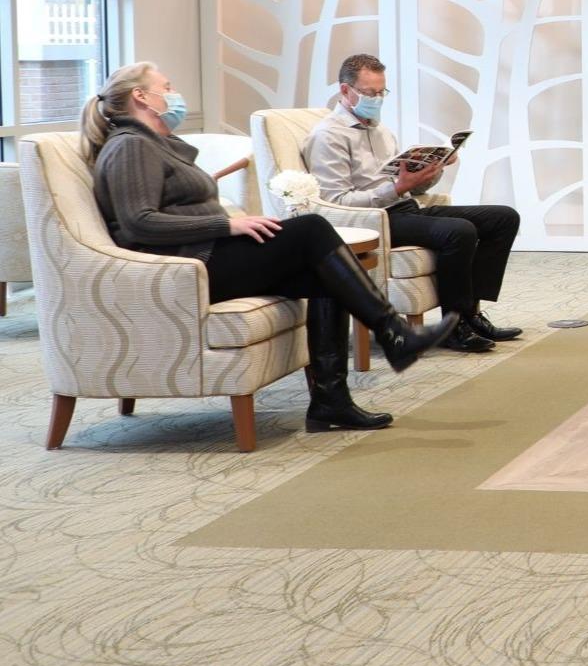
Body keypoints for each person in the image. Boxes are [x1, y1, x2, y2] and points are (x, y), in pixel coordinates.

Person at [85, 62, 455, 432]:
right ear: (141, 96)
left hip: (206, 254)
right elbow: (139, 221)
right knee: (311, 228)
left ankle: (331, 402)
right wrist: (228, 224)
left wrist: (230, 227)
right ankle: (394, 333)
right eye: (166, 86)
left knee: (321, 272)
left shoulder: (151, 143)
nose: (174, 93)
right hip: (186, 268)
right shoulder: (130, 146)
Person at [306, 54, 524, 353]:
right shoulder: (327, 136)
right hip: (371, 220)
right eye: (370, 93)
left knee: (503, 217)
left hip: (404, 208)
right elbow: (335, 202)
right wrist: (397, 189)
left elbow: (406, 184)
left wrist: (431, 172)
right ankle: (453, 325)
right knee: (458, 231)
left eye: (382, 92)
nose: (377, 99)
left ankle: (472, 314)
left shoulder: (380, 130)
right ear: (345, 91)